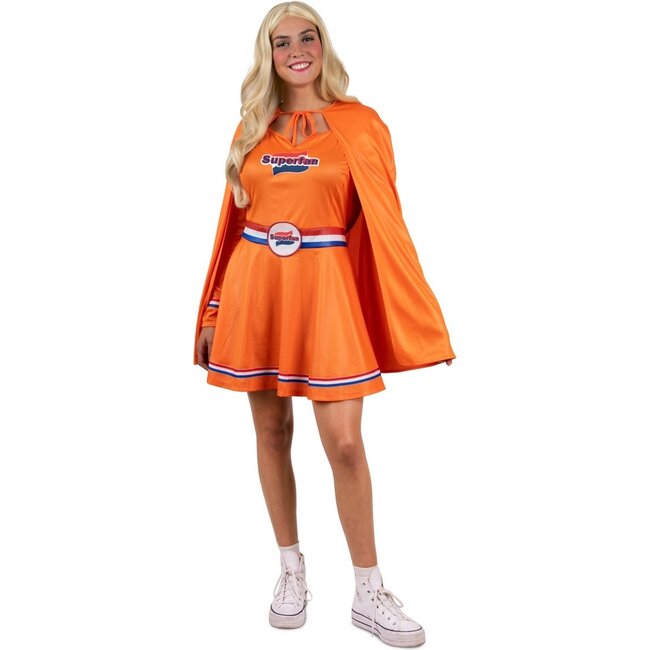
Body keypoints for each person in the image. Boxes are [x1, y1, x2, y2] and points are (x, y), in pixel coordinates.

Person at [193, 2, 455, 646]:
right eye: (282, 42)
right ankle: (290, 570)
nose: (297, 51)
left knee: (344, 444)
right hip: (257, 289)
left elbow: (384, 228)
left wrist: (403, 312)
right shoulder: (251, 127)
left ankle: (369, 589)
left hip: (327, 291)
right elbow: (231, 229)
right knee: (271, 431)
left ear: (323, 45)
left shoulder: (361, 125)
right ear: (268, 55)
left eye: (307, 38)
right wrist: (214, 309)